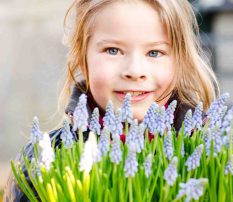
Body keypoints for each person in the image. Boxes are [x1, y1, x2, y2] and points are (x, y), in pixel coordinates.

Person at [3, 0, 219, 201]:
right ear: (82, 58)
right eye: (113, 50)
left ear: (180, 61)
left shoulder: (211, 154)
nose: (135, 71)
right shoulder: (46, 161)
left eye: (154, 52)